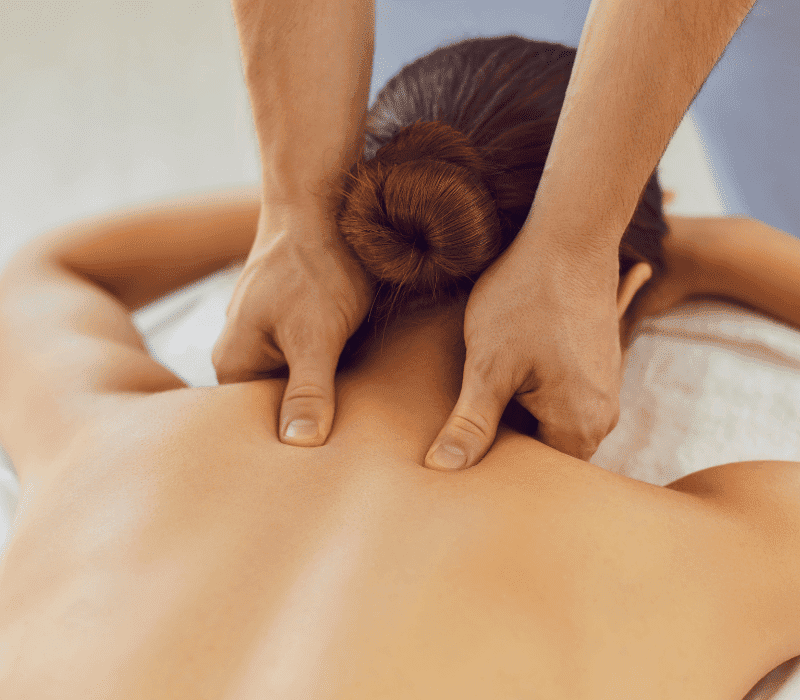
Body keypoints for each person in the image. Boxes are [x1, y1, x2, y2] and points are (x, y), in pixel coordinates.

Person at [1, 34, 800, 698]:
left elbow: (48, 268)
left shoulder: (107, 439)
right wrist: (710, 247)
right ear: (622, 298)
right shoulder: (703, 549)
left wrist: (314, 214)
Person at [218, 0, 757, 469]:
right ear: (624, 290)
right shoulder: (731, 532)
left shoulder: (152, 436)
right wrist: (707, 249)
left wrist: (300, 215)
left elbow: (125, 257)